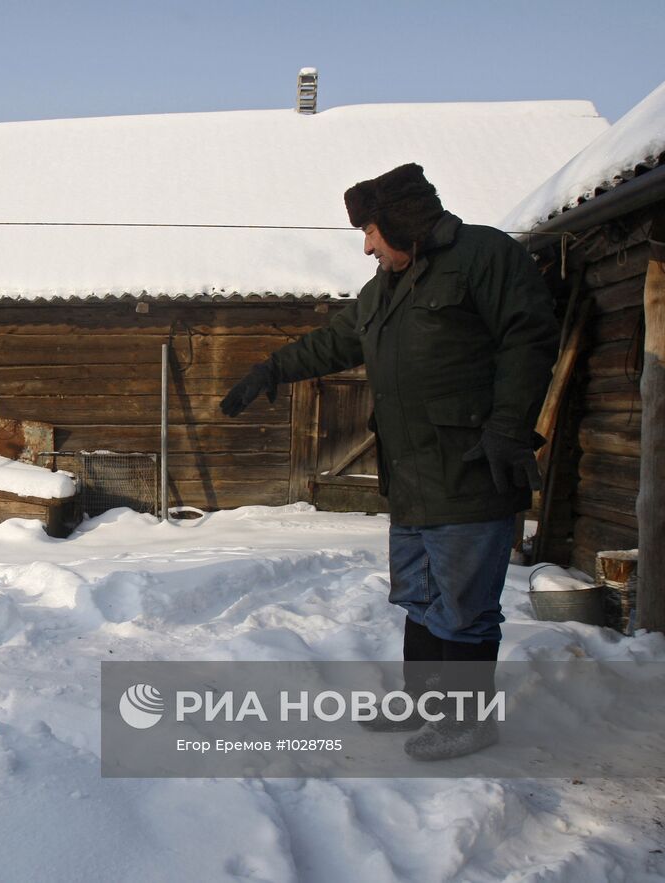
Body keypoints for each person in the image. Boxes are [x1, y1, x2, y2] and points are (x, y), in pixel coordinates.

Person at [221, 164, 557, 760]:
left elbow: (529, 337)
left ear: (403, 223)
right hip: (410, 477)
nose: (367, 245)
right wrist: (269, 369)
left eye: (372, 230)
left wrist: (509, 426)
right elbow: (333, 342)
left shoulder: (485, 256)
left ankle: (467, 720)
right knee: (423, 600)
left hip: (471, 465)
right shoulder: (383, 290)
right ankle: (423, 704)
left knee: (465, 608)